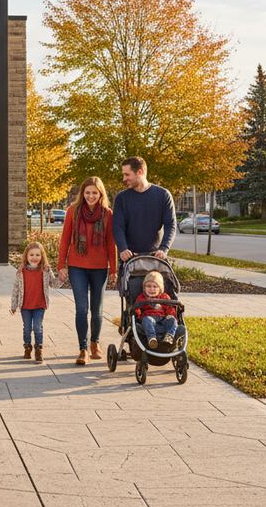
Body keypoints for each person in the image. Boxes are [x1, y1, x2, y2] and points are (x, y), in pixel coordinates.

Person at [57, 176, 117, 366]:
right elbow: (65, 240)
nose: (91, 196)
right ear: (82, 193)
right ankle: (83, 348)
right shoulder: (72, 212)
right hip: (77, 267)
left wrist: (114, 269)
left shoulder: (108, 214)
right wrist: (61, 265)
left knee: (97, 309)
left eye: (95, 193)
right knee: (82, 309)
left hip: (100, 268)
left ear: (101, 194)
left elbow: (110, 243)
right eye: (88, 192)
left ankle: (95, 343)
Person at [112, 156, 176, 262]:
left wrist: (164, 248)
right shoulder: (121, 198)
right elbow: (118, 226)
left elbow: (171, 225)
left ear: (140, 172)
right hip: (130, 257)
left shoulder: (163, 195)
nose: (124, 179)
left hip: (155, 257)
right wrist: (123, 248)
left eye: (127, 174)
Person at [10, 241, 53, 363]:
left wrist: (62, 277)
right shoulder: (21, 272)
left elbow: (53, 284)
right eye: (32, 255)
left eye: (37, 255)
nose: (34, 258)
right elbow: (16, 289)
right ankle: (27, 347)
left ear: (42, 256)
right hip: (25, 306)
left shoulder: (45, 270)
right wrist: (13, 305)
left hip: (39, 305)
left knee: (38, 327)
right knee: (27, 328)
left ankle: (38, 349)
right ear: (26, 256)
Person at [134, 270, 178, 349]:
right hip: (149, 321)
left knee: (173, 320)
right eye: (148, 286)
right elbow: (137, 308)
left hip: (163, 320)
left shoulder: (165, 297)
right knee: (147, 320)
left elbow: (170, 308)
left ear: (160, 288)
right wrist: (138, 314)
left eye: (155, 287)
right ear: (144, 288)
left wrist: (170, 315)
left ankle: (169, 336)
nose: (152, 289)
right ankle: (152, 338)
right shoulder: (142, 297)